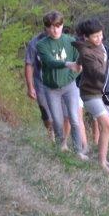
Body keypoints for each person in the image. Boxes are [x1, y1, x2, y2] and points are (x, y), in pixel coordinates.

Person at [35, 10, 87, 159]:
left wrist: (71, 74)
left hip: (70, 86)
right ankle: (61, 148)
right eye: (51, 27)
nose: (55, 30)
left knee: (74, 119)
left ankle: (79, 151)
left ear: (62, 25)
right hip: (51, 88)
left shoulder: (71, 41)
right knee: (57, 121)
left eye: (58, 26)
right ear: (46, 28)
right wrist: (67, 64)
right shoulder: (41, 44)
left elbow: (79, 63)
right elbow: (50, 62)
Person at [73, 18, 109, 173]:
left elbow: (79, 63)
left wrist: (77, 66)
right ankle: (102, 163)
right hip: (90, 94)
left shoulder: (98, 46)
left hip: (99, 92)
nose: (100, 38)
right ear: (86, 37)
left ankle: (103, 160)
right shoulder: (87, 52)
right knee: (107, 125)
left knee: (106, 126)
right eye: (95, 36)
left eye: (100, 35)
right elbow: (98, 73)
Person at [23, 30, 55, 141]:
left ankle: (62, 141)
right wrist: (30, 87)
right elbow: (29, 64)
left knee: (64, 115)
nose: (53, 29)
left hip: (61, 83)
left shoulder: (64, 39)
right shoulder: (35, 42)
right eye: (49, 26)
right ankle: (51, 137)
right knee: (46, 113)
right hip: (41, 83)